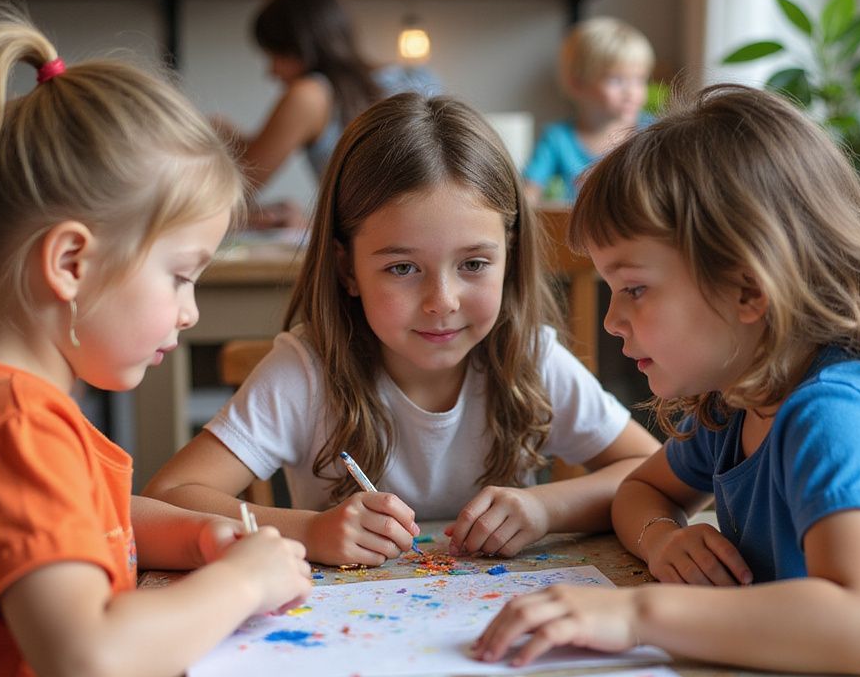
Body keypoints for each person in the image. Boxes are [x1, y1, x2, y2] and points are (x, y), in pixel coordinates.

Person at [0, 5, 313, 677]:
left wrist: (206, 536)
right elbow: (88, 660)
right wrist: (240, 585)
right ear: (71, 263)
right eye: (179, 276)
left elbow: (83, 522)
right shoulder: (12, 427)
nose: (190, 311)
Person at [473, 84, 860, 677]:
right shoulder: (737, 403)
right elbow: (640, 489)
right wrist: (664, 539)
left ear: (746, 289)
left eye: (635, 288)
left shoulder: (838, 413)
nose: (613, 321)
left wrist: (636, 615)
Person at [145, 91, 659, 567]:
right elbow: (168, 497)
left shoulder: (532, 358)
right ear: (348, 270)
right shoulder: (306, 372)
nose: (442, 302)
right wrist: (308, 531)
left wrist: (547, 508)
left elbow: (654, 474)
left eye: (474, 264)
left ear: (511, 256)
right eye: (402, 268)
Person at [212, 0, 441, 228]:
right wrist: (309, 224)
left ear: (300, 47)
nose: (272, 72)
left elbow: (238, 188)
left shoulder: (309, 96)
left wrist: (214, 140)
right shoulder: (415, 78)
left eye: (276, 55)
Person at [523, 16, 655, 205]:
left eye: (639, 79)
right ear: (577, 84)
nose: (631, 92)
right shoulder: (557, 138)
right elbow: (529, 192)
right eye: (617, 80)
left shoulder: (654, 133)